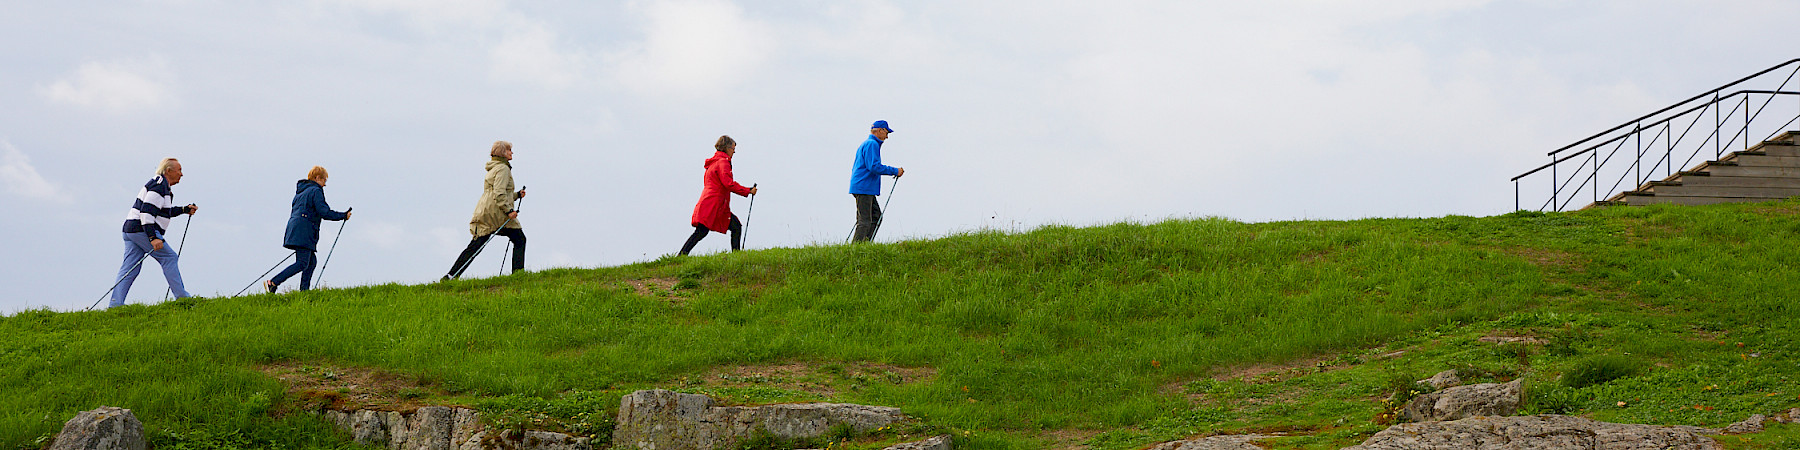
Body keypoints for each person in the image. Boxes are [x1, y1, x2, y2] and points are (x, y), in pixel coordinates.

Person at [111, 157, 198, 308]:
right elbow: (146, 213)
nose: (181, 174)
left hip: (131, 230)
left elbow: (163, 211)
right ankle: (183, 298)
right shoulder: (159, 187)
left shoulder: (160, 185)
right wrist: (153, 237)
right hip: (142, 229)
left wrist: (184, 209)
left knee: (130, 267)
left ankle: (115, 304)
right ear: (169, 171)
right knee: (169, 257)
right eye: (179, 170)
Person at [445, 141, 526, 279]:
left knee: (476, 244)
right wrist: (508, 211)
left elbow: (498, 193)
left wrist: (517, 195)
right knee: (520, 239)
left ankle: (450, 276)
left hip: (486, 212)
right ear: (503, 153)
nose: (512, 153)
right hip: (497, 213)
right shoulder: (503, 169)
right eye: (509, 150)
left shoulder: (494, 168)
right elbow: (499, 193)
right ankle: (518, 276)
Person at [264, 166, 350, 293]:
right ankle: (274, 282)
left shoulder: (300, 193)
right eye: (324, 180)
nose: (325, 184)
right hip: (304, 230)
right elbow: (324, 212)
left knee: (311, 262)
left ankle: (304, 292)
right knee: (302, 262)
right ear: (317, 178)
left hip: (295, 229)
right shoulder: (316, 191)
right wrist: (342, 215)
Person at [679, 135, 758, 255]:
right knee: (730, 227)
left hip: (709, 202)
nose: (734, 151)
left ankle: (681, 255)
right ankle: (736, 256)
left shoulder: (713, 163)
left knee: (703, 231)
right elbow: (729, 184)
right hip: (714, 204)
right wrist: (748, 190)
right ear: (726, 147)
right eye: (733, 148)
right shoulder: (723, 162)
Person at [849, 120, 904, 242]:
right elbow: (873, 166)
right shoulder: (872, 144)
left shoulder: (869, 144)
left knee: (875, 216)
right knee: (865, 220)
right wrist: (895, 171)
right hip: (864, 187)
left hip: (864, 187)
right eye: (886, 132)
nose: (887, 137)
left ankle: (864, 244)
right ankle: (857, 247)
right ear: (880, 130)